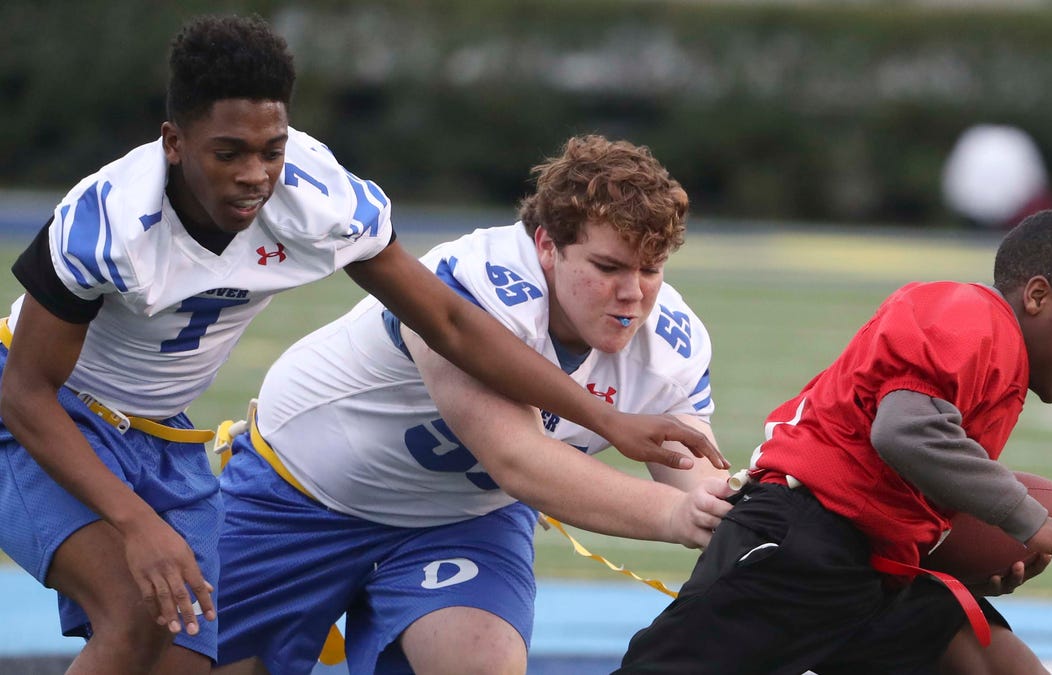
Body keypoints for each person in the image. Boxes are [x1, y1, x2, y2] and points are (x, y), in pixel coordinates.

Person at [0, 17, 723, 675]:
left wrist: (630, 437)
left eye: (270, 149)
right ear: (175, 142)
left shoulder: (311, 189)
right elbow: (24, 395)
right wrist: (134, 520)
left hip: (191, 443)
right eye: (228, 152)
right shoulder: (109, 226)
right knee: (141, 619)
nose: (255, 173)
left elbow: (449, 323)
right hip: (143, 443)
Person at [210, 134, 731, 675]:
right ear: (547, 246)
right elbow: (517, 460)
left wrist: (742, 518)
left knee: (479, 665)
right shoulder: (478, 282)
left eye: (651, 269)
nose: (634, 293)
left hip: (460, 521)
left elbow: (702, 485)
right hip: (301, 494)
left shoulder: (672, 339)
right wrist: (674, 515)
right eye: (607, 267)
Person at [618, 209, 1052, 674]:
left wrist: (972, 560)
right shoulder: (974, 315)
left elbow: (901, 477)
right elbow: (905, 431)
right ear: (1037, 297)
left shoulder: (1003, 364)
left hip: (869, 564)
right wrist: (1032, 522)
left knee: (993, 663)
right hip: (802, 540)